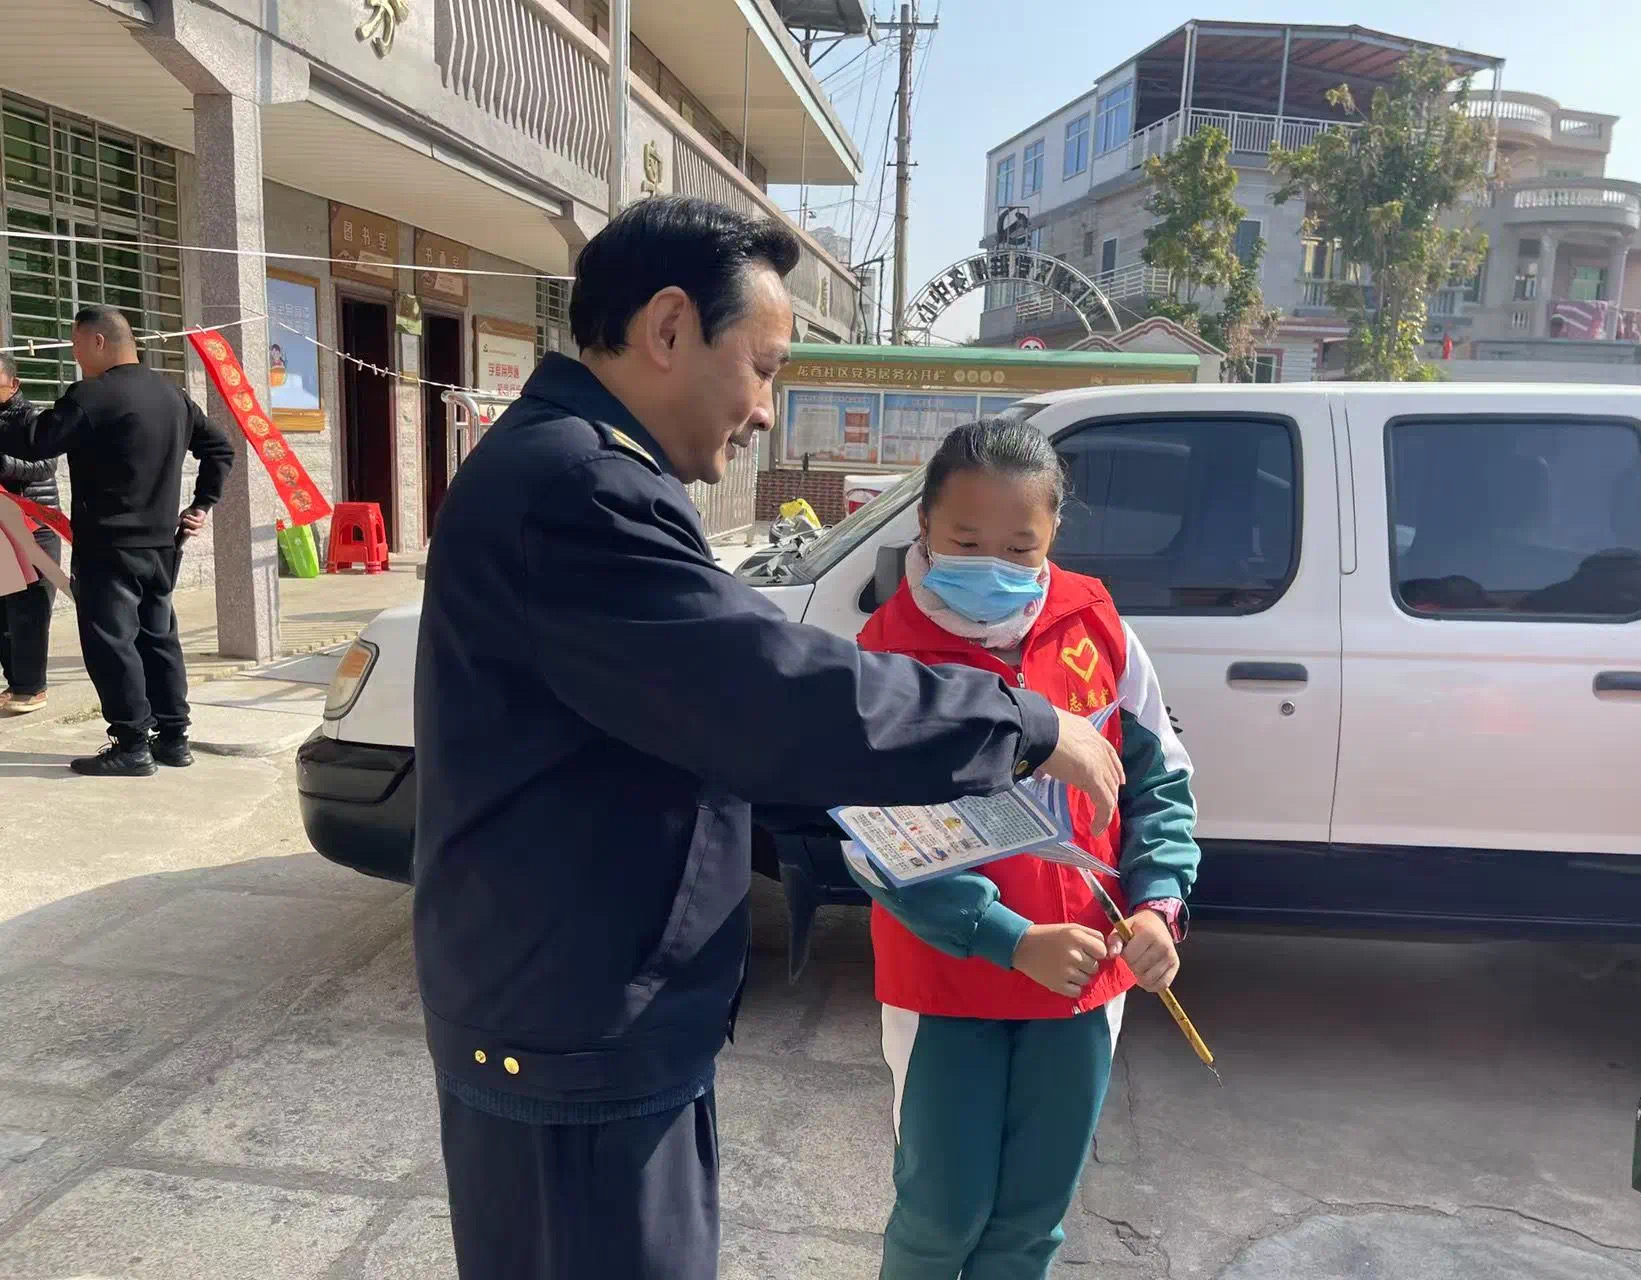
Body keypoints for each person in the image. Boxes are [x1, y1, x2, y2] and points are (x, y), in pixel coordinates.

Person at [414, 196, 1126, 1280]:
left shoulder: (580, 468)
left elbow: (694, 716)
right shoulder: (579, 488)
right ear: (668, 328)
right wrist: (1022, 725)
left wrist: (870, 819)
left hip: (571, 1005)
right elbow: (762, 688)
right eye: (762, 367)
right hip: (573, 1025)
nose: (763, 409)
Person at [848, 419, 1200, 1280]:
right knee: (941, 1217)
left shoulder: (1095, 624)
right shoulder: (884, 656)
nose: (992, 568)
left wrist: (1158, 906)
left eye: (1019, 549)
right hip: (946, 983)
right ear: (924, 524)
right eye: (966, 542)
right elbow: (876, 843)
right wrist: (1008, 938)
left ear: (1053, 536)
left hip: (1083, 980)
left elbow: (1160, 780)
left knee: (1032, 1222)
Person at [0, 306, 234, 776]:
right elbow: (219, 447)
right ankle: (174, 738)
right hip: (160, 545)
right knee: (158, 637)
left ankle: (131, 744)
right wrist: (202, 504)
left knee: (111, 643)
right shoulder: (173, 395)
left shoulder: (94, 395)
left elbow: (37, 440)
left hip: (108, 546)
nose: (74, 354)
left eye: (75, 344)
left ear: (99, 342)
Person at [0, 355, 61, 714]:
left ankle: (33, 687)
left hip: (34, 526)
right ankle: (15, 684)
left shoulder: (32, 418)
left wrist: (5, 464)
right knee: (5, 612)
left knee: (31, 609)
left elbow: (47, 465)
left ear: (14, 384)